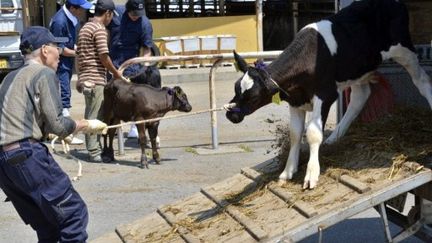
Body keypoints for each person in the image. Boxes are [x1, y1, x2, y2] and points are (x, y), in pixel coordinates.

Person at [0, 26, 107, 242]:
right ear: (45, 50)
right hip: (26, 155)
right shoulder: (44, 73)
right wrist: (85, 123)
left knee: (47, 225)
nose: (60, 52)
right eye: (57, 47)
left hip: (4, 165)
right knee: (73, 215)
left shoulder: (8, 78)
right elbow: (57, 124)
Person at [76, 0, 123, 162]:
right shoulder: (99, 29)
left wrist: (80, 78)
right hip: (95, 80)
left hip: (85, 79)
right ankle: (94, 151)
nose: (111, 20)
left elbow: (79, 55)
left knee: (90, 113)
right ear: (107, 14)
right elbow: (104, 56)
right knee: (95, 116)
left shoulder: (84, 28)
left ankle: (94, 149)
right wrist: (116, 73)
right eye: (111, 16)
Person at [108, 0, 154, 138]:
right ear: (127, 9)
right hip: (111, 60)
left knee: (133, 98)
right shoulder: (115, 13)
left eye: (139, 14)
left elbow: (146, 49)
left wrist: (144, 68)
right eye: (133, 14)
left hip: (131, 64)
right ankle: (114, 126)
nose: (136, 17)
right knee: (112, 96)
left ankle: (135, 126)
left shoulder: (145, 24)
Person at [50, 0, 92, 145]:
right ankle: (66, 134)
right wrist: (80, 52)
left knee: (65, 98)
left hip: (66, 66)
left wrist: (77, 48)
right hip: (60, 66)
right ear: (73, 8)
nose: (83, 12)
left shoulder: (71, 19)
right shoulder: (59, 22)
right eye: (81, 9)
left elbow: (68, 43)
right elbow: (59, 49)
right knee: (63, 98)